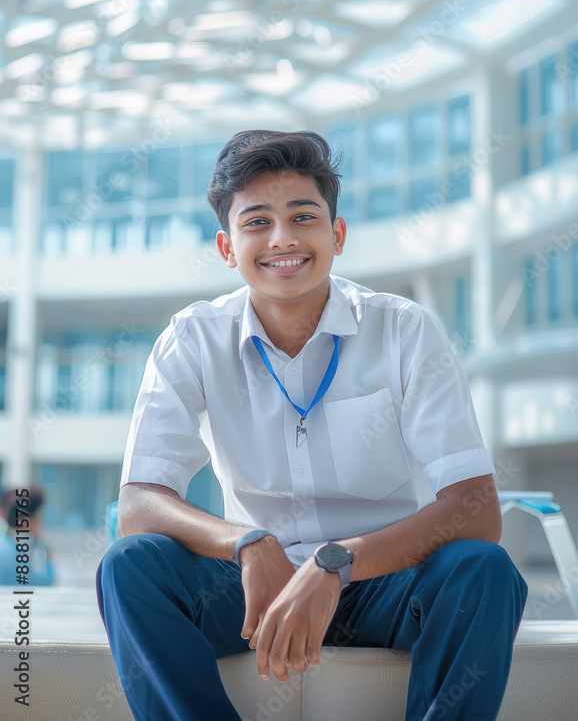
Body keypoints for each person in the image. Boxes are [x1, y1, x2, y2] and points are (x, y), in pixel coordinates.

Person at [96, 129, 527, 721]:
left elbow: (476, 508)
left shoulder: (402, 330)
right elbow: (140, 504)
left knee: (484, 571)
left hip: (383, 583)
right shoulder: (193, 338)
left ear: (337, 234)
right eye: (257, 222)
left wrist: (337, 563)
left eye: (304, 216)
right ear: (227, 246)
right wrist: (247, 543)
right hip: (253, 592)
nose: (283, 239)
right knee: (130, 566)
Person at [0, 485, 54, 586]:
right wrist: (47, 557)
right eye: (38, 518)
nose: (41, 523)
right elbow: (44, 582)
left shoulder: (9, 543)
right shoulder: (13, 552)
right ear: (25, 522)